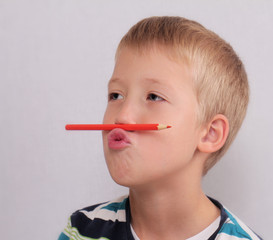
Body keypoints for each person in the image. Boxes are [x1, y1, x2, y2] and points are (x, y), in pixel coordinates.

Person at [59, 16, 262, 240]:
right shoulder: (82, 230)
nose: (122, 115)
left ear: (210, 133)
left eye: (153, 97)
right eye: (116, 95)